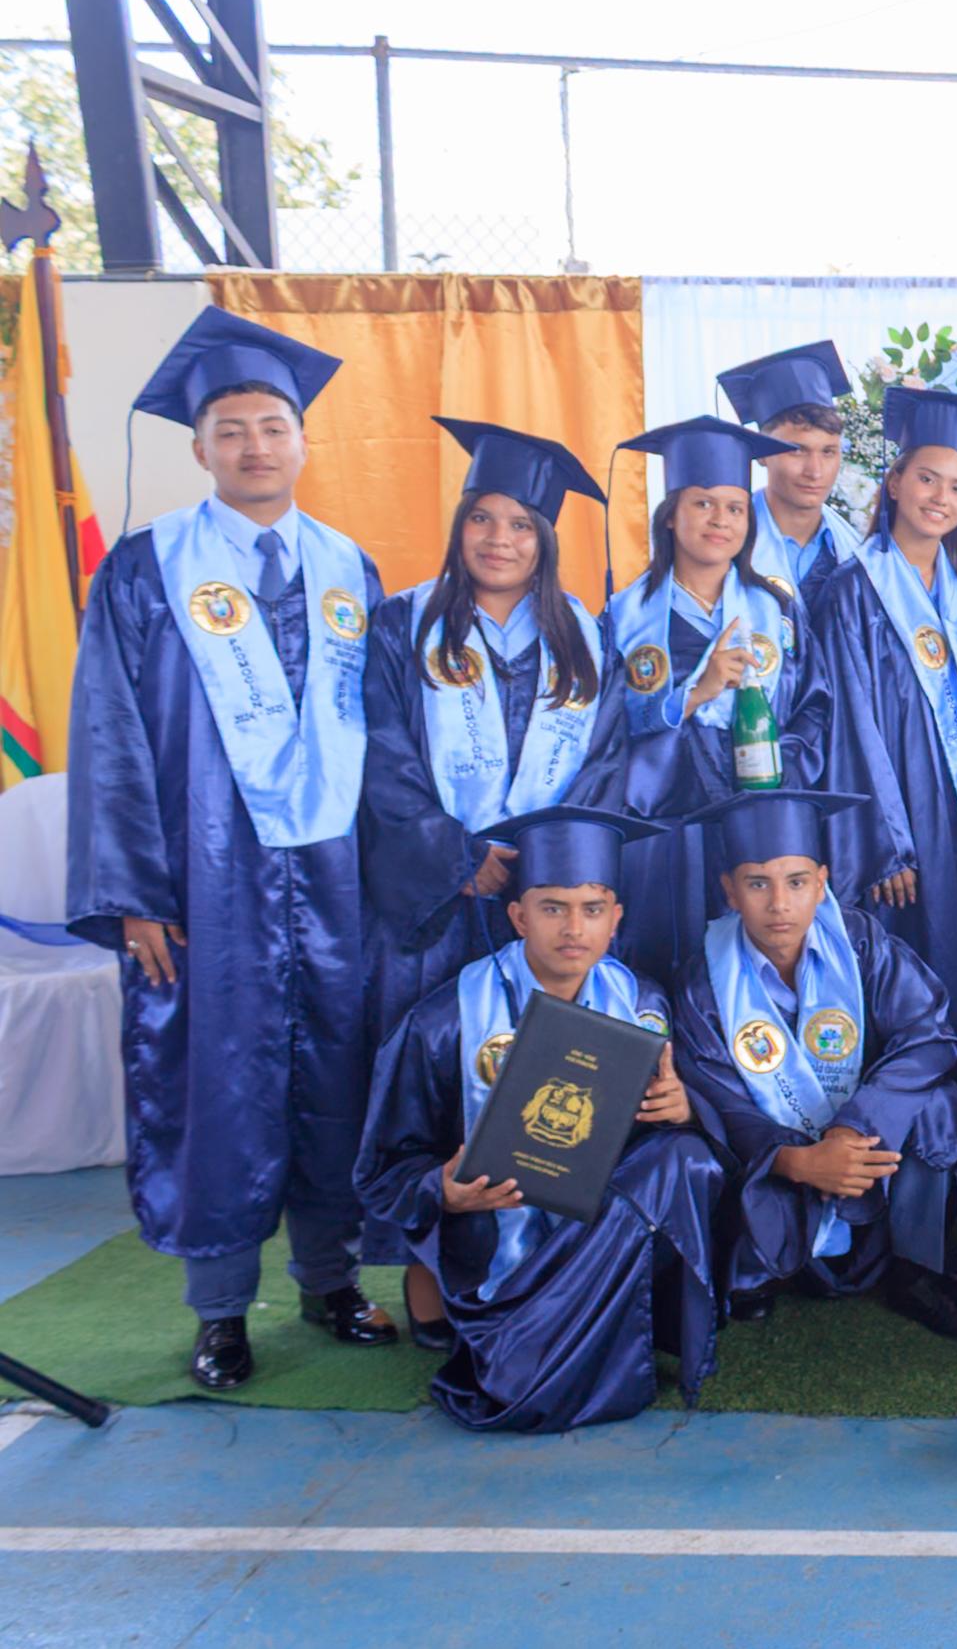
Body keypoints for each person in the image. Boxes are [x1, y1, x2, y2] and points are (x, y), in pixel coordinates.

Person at [69, 306, 397, 1390]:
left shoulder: (349, 568)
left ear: (303, 440)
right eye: (232, 430)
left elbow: (387, 736)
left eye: (273, 426)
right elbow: (110, 733)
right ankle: (219, 1310)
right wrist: (132, 891)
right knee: (219, 1082)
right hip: (204, 877)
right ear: (200, 448)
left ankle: (331, 1279)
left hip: (337, 878)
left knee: (337, 1071)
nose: (256, 446)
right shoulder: (145, 568)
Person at [361, 417, 628, 1352]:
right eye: (482, 518)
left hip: (539, 900)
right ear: (459, 524)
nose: (499, 539)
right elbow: (383, 754)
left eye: (521, 524)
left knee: (543, 1080)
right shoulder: (405, 623)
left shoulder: (583, 637)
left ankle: (539, 1267)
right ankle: (428, 1270)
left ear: (545, 538)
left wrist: (548, 869)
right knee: (436, 1083)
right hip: (438, 904)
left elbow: (606, 760)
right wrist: (455, 853)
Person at [355, 807, 727, 1431]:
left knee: (687, 1158)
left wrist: (684, 1109)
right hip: (496, 1246)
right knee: (523, 1392)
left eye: (592, 908)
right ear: (519, 917)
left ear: (616, 918)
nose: (574, 929)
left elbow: (662, 1152)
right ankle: (535, 1325)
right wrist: (442, 1190)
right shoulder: (445, 1020)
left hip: (604, 1230)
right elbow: (383, 1170)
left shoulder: (644, 1005)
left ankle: (565, 1328)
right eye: (553, 908)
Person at [671, 789, 957, 1338]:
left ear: (821, 883)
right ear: (729, 891)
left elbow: (928, 1033)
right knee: (704, 1142)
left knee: (936, 1103)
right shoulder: (703, 981)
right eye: (757, 884)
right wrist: (797, 1162)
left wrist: (854, 1127)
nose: (779, 904)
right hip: (780, 1172)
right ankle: (765, 1268)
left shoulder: (861, 943)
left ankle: (915, 1267)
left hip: (868, 1156)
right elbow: (718, 1098)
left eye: (796, 882)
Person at [794, 387, 957, 1097]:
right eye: (926, 478)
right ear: (893, 481)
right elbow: (848, 723)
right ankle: (918, 1130)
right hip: (906, 826)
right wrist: (883, 843)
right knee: (920, 974)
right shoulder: (854, 590)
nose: (940, 498)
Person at [606, 414, 802, 982]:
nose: (721, 520)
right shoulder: (625, 615)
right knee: (663, 955)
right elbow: (598, 729)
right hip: (660, 821)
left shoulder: (776, 611)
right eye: (703, 504)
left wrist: (780, 784)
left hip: (756, 814)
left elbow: (813, 711)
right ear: (670, 514)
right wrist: (695, 693)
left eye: (735, 508)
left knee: (749, 967)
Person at [715, 340, 859, 606]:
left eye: (828, 452)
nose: (815, 472)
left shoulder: (855, 549)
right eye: (797, 451)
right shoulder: (719, 542)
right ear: (761, 453)